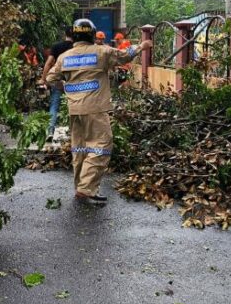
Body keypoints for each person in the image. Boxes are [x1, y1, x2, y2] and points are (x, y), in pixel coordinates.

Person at [46, 19, 152, 203]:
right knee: (101, 146)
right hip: (95, 109)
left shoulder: (65, 56)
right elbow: (125, 55)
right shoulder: (101, 52)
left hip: (74, 110)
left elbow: (50, 77)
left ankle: (82, 187)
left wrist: (66, 88)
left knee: (80, 148)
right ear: (92, 35)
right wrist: (142, 46)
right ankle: (86, 189)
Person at [41, 26, 74, 140]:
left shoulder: (57, 46)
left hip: (58, 81)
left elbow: (48, 63)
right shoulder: (77, 48)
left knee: (54, 106)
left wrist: (43, 79)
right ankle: (72, 132)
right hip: (73, 82)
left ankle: (50, 131)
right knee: (74, 106)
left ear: (65, 34)